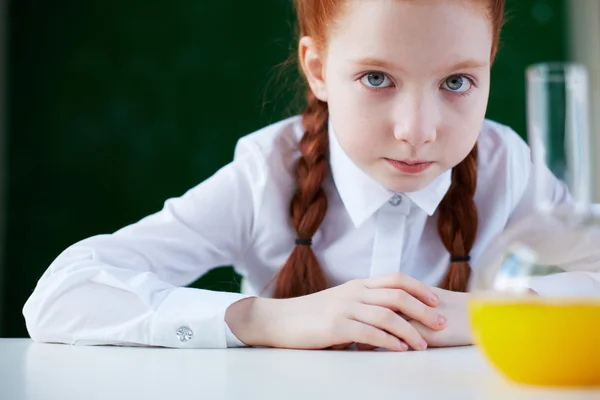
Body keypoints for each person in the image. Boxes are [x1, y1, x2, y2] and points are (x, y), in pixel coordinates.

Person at [23, 0, 600, 352]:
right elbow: (59, 297)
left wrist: (482, 314)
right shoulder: (266, 174)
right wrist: (266, 319)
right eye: (377, 78)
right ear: (318, 70)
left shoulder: (508, 166)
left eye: (456, 82)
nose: (417, 131)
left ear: (491, 63)